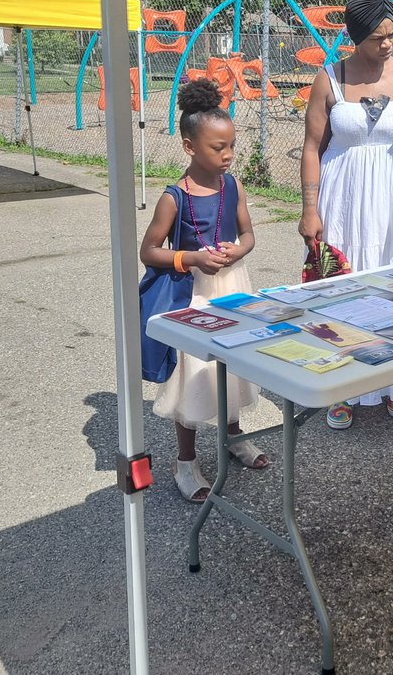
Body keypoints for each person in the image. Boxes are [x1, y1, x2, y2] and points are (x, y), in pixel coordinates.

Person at [299, 0, 393, 430]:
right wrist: (309, 210)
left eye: (392, 35)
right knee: (346, 289)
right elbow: (312, 148)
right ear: (354, 37)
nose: (388, 44)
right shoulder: (329, 79)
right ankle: (344, 387)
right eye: (377, 38)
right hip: (342, 200)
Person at [140, 79, 268, 503]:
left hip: (233, 287)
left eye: (231, 145)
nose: (228, 155)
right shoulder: (173, 198)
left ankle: (233, 437)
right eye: (218, 147)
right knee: (194, 374)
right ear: (189, 146)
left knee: (232, 366)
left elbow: (248, 235)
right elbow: (148, 251)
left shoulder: (234, 186)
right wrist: (192, 258)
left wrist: (238, 250)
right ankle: (185, 461)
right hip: (192, 295)